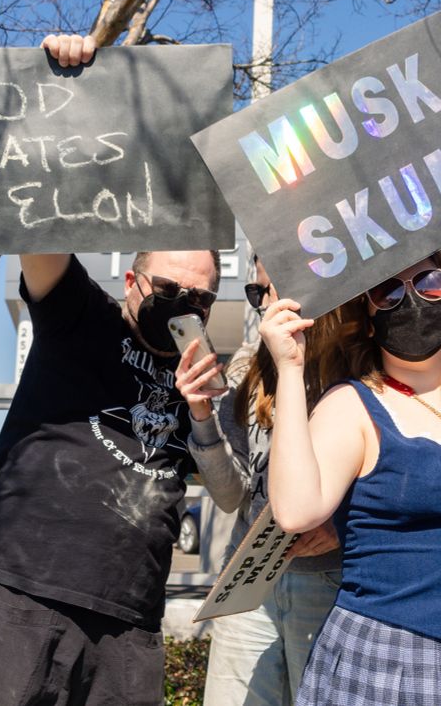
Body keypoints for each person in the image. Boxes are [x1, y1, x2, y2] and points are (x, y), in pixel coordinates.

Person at [0, 34, 246, 706]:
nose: (183, 305)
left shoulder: (201, 372)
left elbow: (226, 493)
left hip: (129, 623)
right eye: (168, 288)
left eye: (200, 297)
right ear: (131, 279)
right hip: (17, 592)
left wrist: (201, 417)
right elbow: (34, 225)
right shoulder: (83, 314)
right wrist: (61, 91)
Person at [258, 41, 441, 706]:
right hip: (385, 665)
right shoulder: (352, 409)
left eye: (430, 280)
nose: (413, 297)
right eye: (389, 291)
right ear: (367, 314)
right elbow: (297, 510)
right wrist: (291, 368)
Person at [176, 255, 342, 706]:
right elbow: (231, 496)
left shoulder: (359, 364)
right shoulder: (249, 367)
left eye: (276, 288)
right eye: (256, 293)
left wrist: (344, 530)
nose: (265, 304)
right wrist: (202, 416)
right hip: (252, 580)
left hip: (331, 582)